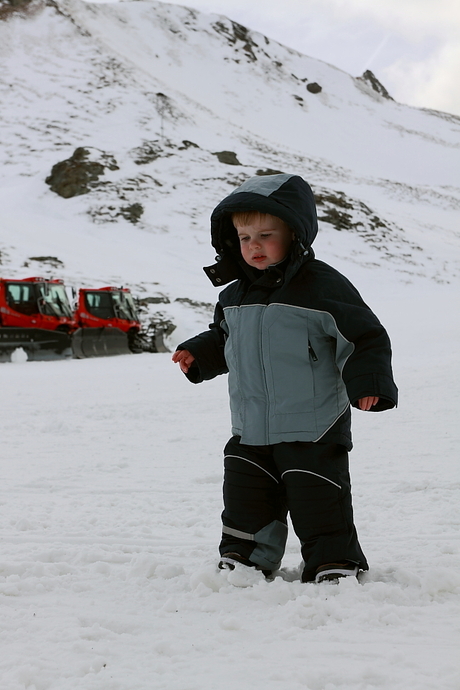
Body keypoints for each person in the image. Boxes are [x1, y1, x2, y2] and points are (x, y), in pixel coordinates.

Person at [172, 174, 397, 583]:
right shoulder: (233, 295)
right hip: (251, 424)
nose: (253, 246)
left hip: (313, 424)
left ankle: (334, 561)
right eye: (243, 237)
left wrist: (369, 384)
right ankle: (245, 556)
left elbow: (364, 337)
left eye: (265, 234)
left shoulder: (323, 287)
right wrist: (200, 354)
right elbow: (227, 339)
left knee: (318, 497)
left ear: (294, 232)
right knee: (245, 494)